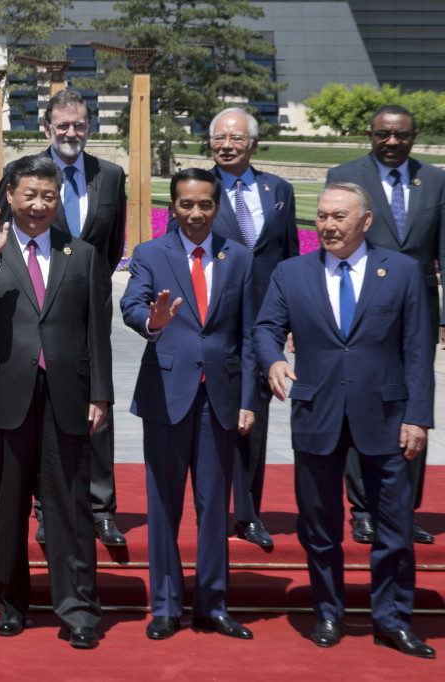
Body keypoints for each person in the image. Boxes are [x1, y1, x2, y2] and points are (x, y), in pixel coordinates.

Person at [253, 182, 435, 658]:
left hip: (388, 417)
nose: (328, 226)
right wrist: (272, 359)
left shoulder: (403, 272)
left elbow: (418, 349)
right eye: (322, 217)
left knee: (394, 528)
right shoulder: (291, 273)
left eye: (339, 217)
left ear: (365, 221)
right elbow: (265, 328)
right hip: (317, 415)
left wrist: (418, 416)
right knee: (319, 526)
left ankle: (392, 620)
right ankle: (328, 613)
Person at [0, 154, 112, 649]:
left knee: (69, 507)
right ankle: (11, 604)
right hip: (7, 393)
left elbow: (96, 333)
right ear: (10, 197)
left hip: (68, 394)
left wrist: (100, 394)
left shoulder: (81, 254)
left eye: (48, 195)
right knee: (10, 505)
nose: (39, 205)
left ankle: (78, 609)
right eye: (29, 195)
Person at [121, 168, 257, 642]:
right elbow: (132, 305)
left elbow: (249, 331)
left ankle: (213, 605)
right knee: (162, 505)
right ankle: (165, 606)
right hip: (166, 395)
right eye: (186, 205)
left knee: (214, 505)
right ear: (171, 207)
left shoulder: (239, 257)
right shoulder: (150, 254)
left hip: (219, 398)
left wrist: (248, 399)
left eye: (204, 205)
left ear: (217, 207)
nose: (196, 214)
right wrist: (151, 322)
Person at [0, 88, 127, 547]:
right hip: (34, 310)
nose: (72, 133)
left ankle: (101, 506)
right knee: (40, 410)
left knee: (96, 402)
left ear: (90, 127)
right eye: (63, 125)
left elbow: (111, 249)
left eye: (80, 125)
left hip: (86, 311)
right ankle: (46, 507)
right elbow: (3, 236)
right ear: (47, 128)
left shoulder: (110, 176)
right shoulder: (22, 173)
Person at [166, 107, 299, 548]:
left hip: (266, 322)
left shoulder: (278, 189)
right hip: (214, 322)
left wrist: (294, 318)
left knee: (253, 416)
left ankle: (248, 512)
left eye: (236, 139)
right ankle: (212, 509)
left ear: (253, 144)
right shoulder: (196, 188)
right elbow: (174, 258)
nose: (226, 145)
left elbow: (291, 257)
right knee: (214, 417)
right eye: (219, 138)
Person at [326, 105, 445, 546]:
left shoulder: (435, 180)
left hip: (420, 308)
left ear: (415, 136)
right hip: (361, 308)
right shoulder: (345, 174)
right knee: (360, 400)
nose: (391, 142)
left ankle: (402, 508)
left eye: (401, 135)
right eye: (382, 135)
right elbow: (332, 242)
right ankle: (362, 510)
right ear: (370, 135)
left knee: (414, 398)